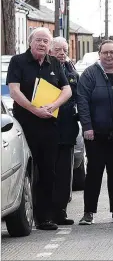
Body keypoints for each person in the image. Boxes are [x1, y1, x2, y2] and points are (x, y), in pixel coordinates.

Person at [6, 27, 72, 230]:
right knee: (26, 170)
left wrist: (53, 106)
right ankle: (24, 215)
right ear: (30, 42)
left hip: (49, 124)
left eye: (46, 41)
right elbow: (14, 91)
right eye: (39, 40)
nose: (43, 44)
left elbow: (67, 89)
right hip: (25, 124)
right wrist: (34, 110)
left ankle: (45, 217)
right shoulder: (18, 61)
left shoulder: (54, 63)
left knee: (47, 171)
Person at [77, 40, 113, 225]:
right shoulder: (90, 73)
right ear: (99, 54)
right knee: (94, 172)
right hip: (96, 133)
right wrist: (87, 127)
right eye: (105, 52)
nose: (109, 56)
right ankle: (88, 212)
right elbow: (82, 101)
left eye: (112, 52)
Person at [47, 36, 79, 226]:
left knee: (64, 174)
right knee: (48, 173)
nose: (62, 53)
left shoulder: (71, 69)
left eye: (64, 50)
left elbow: (78, 95)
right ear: (50, 51)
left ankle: (60, 211)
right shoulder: (44, 68)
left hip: (67, 128)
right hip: (48, 127)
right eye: (58, 49)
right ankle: (46, 213)